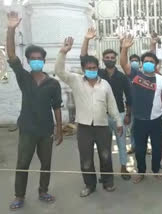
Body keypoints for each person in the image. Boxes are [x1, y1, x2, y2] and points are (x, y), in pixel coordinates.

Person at [7, 12, 63, 210]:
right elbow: (12, 55)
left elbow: (57, 107)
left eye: (39, 58)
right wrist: (11, 28)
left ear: (44, 60)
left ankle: (43, 191)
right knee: (22, 163)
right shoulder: (24, 77)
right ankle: (19, 195)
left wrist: (59, 129)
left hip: (46, 130)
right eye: (32, 58)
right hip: (28, 129)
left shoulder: (53, 84)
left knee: (45, 163)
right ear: (29, 61)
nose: (36, 60)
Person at [55, 37, 123, 197]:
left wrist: (119, 122)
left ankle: (107, 182)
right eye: (88, 67)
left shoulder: (105, 84)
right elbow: (59, 72)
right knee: (86, 159)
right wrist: (63, 52)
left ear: (97, 68)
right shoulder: (76, 81)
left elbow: (112, 105)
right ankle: (89, 185)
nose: (91, 69)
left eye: (94, 67)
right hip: (84, 127)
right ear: (84, 69)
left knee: (106, 156)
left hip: (102, 126)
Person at [81, 28, 132, 180]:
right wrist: (87, 39)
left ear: (115, 59)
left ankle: (124, 168)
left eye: (112, 57)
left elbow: (129, 96)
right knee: (104, 147)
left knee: (122, 144)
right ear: (103, 60)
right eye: (107, 57)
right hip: (101, 117)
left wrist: (127, 115)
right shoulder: (97, 74)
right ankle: (106, 173)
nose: (110, 59)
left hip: (119, 115)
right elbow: (83, 58)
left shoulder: (122, 77)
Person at [120, 35, 162, 184]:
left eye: (151, 62)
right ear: (141, 64)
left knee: (157, 148)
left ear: (156, 64)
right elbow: (123, 63)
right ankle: (141, 172)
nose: (148, 63)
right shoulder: (135, 75)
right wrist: (125, 48)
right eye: (145, 61)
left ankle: (156, 171)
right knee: (139, 150)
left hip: (156, 120)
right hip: (139, 120)